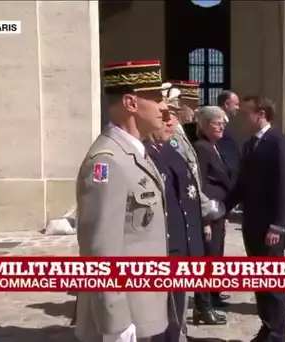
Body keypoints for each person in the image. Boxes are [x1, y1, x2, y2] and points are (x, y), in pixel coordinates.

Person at [74, 60, 172, 342]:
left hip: (143, 307)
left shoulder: (136, 154)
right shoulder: (107, 162)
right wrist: (115, 322)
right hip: (124, 318)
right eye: (155, 98)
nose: (163, 107)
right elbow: (101, 250)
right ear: (130, 102)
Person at [145, 89, 226, 336]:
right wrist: (206, 214)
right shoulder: (167, 142)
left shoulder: (178, 137)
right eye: (184, 105)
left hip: (190, 215)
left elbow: (191, 178)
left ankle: (191, 317)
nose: (188, 110)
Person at [225, 95, 285, 342]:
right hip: (252, 225)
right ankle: (267, 326)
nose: (242, 117)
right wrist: (221, 208)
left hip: (270, 227)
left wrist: (278, 224)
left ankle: (277, 334)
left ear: (261, 114)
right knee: (260, 279)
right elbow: (242, 186)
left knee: (273, 282)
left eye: (246, 113)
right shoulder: (249, 144)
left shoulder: (279, 142)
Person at [194, 106, 236, 308]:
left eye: (222, 123)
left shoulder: (214, 146)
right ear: (205, 125)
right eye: (217, 123)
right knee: (209, 257)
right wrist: (205, 221)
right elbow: (199, 183)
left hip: (219, 212)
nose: (221, 127)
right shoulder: (201, 147)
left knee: (217, 255)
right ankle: (205, 303)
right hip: (209, 213)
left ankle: (215, 293)